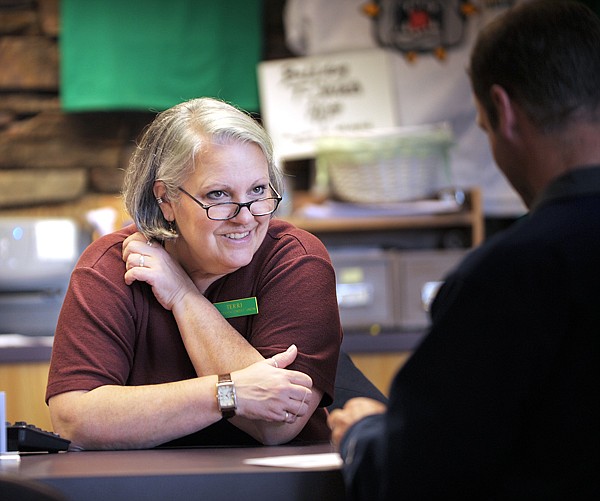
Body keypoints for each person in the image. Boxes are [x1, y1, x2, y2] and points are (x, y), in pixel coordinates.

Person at [327, 1, 600, 499]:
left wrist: (367, 435)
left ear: (504, 111)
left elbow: (418, 478)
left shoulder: (510, 277)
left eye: (483, 125)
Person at [46, 97, 342, 450]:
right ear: (166, 200)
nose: (245, 217)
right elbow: (73, 419)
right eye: (218, 195)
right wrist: (228, 392)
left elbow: (276, 426)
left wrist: (183, 297)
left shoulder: (295, 259)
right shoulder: (112, 265)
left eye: (258, 190)